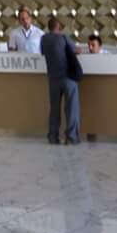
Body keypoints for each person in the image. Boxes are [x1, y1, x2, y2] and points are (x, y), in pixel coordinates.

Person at [40, 16, 80, 145]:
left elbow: (42, 52)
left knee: (54, 109)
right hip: (67, 78)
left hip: (52, 79)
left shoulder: (43, 39)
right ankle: (71, 137)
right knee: (71, 108)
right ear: (58, 27)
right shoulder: (63, 37)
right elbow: (75, 50)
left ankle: (53, 137)